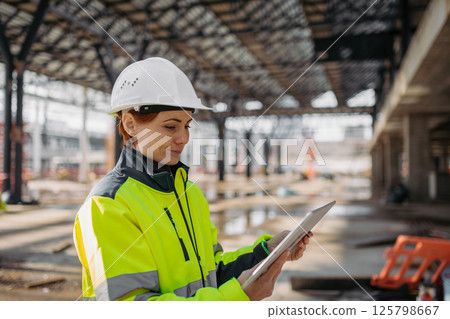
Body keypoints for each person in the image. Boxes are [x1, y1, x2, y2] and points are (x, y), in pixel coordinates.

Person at [73, 57, 312, 301]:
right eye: (170, 127)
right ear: (131, 124)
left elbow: (211, 272)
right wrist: (237, 298)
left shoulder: (189, 193)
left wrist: (266, 252)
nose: (183, 138)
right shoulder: (108, 205)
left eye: (187, 126)